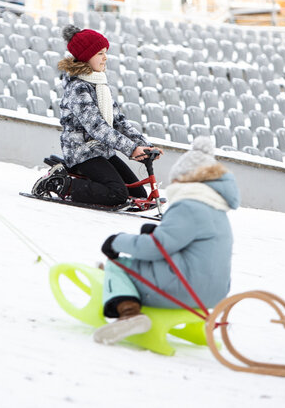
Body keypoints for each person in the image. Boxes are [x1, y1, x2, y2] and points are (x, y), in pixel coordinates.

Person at [93, 135, 239, 345]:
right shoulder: (216, 208)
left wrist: (117, 241)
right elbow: (188, 242)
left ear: (187, 179)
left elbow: (156, 249)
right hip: (215, 292)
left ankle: (130, 315)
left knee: (118, 266)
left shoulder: (189, 205)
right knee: (145, 264)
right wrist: (156, 231)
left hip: (187, 289)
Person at [31, 25, 162, 206]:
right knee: (117, 194)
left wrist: (143, 145)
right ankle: (61, 184)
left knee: (138, 193)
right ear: (86, 56)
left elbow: (118, 122)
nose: (105, 57)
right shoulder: (78, 88)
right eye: (100, 53)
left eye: (105, 52)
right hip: (82, 152)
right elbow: (97, 127)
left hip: (102, 151)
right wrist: (130, 149)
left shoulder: (100, 84)